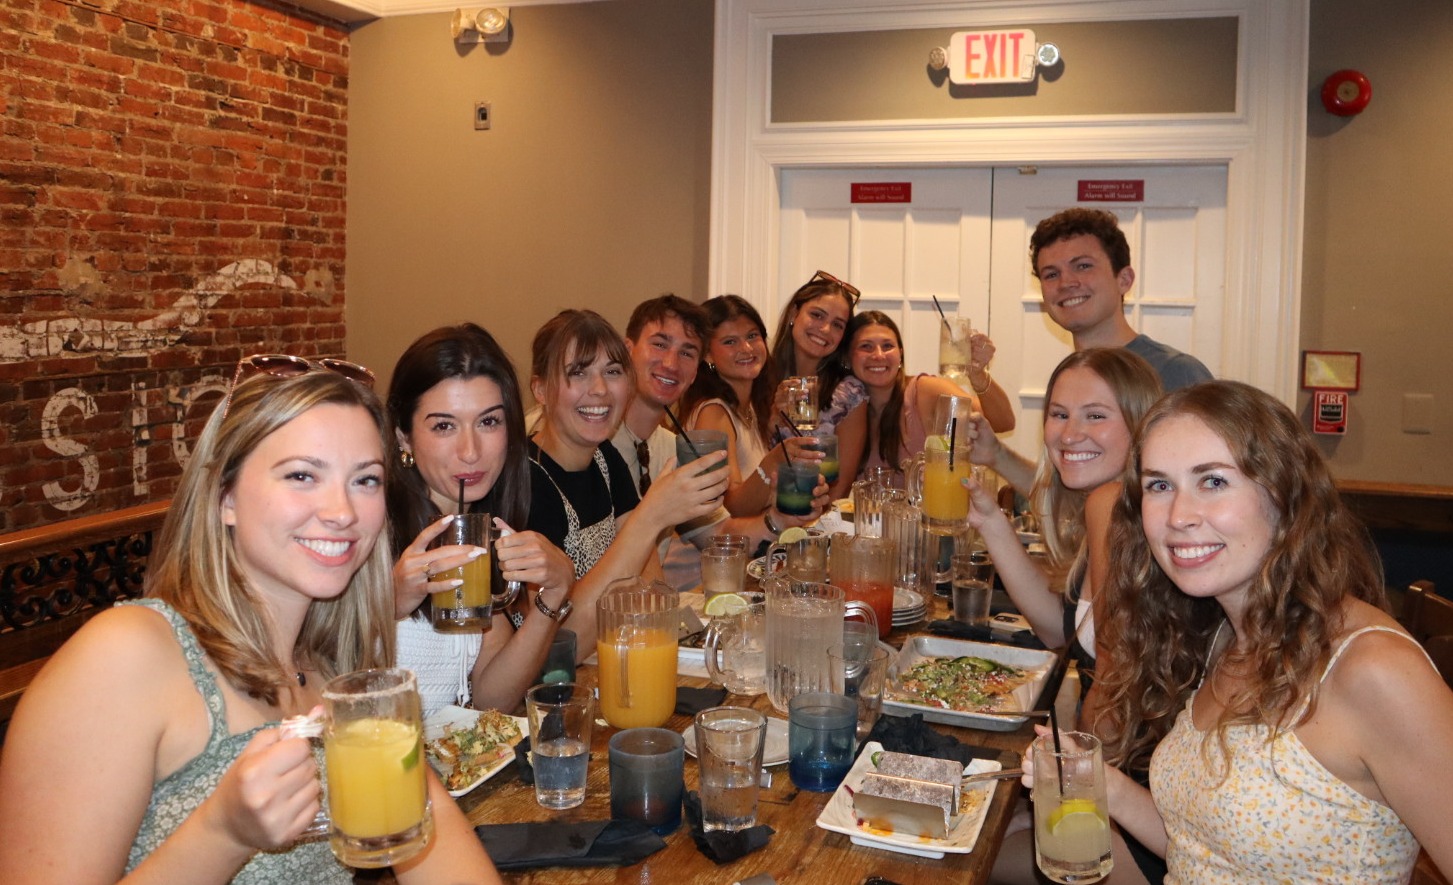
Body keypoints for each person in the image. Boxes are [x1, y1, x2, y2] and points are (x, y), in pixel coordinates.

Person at [0, 361, 501, 884]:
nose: (343, 511)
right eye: (302, 475)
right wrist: (222, 833)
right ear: (225, 496)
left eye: (365, 480)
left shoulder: (335, 673)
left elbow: (429, 828)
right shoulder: (125, 655)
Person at [1060, 381, 1453, 882]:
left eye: (1214, 482)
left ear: (1283, 493)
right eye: (1160, 485)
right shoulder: (1225, 637)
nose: (1179, 516)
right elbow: (1208, 849)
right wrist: (1104, 788)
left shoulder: (1372, 669)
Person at [387, 324, 576, 716]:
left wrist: (554, 595)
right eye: (444, 426)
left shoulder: (478, 529)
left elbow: (494, 700)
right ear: (403, 437)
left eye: (489, 422)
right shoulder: (365, 531)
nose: (471, 452)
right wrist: (387, 604)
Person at [527, 309, 728, 650]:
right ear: (541, 390)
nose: (600, 389)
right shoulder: (524, 482)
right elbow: (565, 640)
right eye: (578, 372)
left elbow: (651, 597)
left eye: (613, 371)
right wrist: (652, 516)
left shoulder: (606, 459)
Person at [611, 296, 823, 580]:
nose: (671, 363)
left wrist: (782, 519)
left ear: (696, 368)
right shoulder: (593, 442)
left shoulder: (673, 448)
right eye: (660, 344)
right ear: (627, 350)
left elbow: (720, 532)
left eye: (687, 353)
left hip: (656, 609)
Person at [1031, 207, 1213, 391]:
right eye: (1051, 274)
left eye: (1083, 266)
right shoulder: (1066, 378)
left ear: (1124, 280)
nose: (1065, 283)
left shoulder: (1176, 374)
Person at [679, 295, 822, 517]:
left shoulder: (749, 408)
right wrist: (774, 460)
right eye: (730, 341)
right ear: (707, 354)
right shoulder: (713, 412)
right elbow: (730, 508)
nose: (746, 348)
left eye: (752, 336)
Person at [845, 310, 1015, 484]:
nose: (878, 355)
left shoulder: (924, 391)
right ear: (848, 357)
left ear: (900, 355)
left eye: (888, 346)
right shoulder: (843, 409)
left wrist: (978, 375)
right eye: (866, 346)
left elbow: (1003, 422)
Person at [767, 270, 868, 498]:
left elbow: (839, 488)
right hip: (756, 517)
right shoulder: (758, 378)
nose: (824, 330)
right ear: (794, 312)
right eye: (817, 315)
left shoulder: (849, 394)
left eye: (837, 325)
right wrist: (772, 416)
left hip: (815, 523)